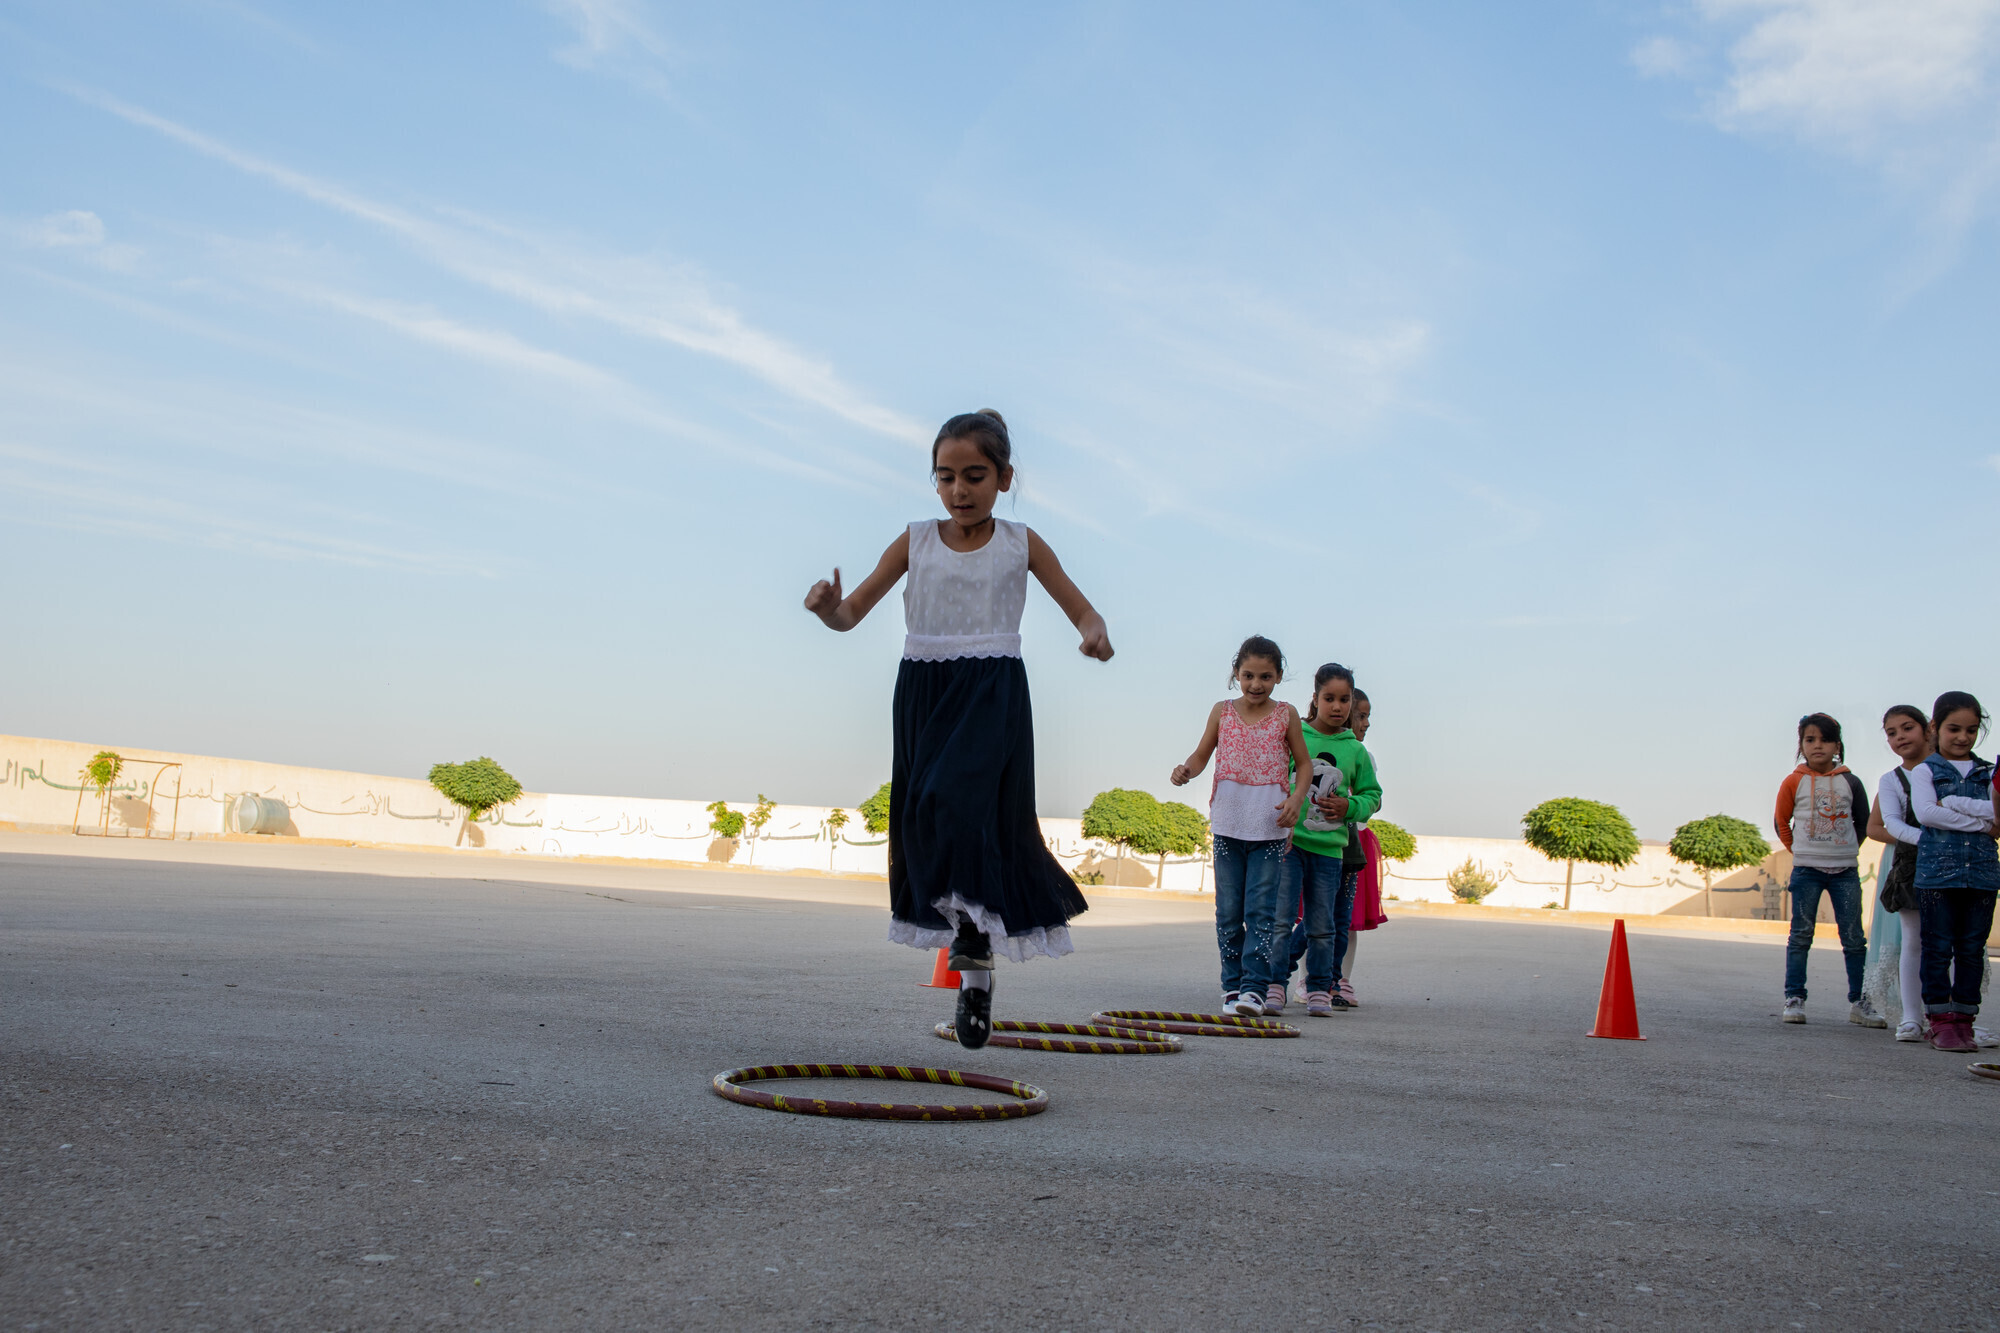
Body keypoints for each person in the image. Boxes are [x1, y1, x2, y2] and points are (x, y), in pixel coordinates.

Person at [803, 409, 1112, 1050]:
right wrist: (830, 611)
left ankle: (973, 948)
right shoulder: (913, 539)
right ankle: (976, 980)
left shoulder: (1022, 543)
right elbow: (853, 612)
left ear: (1004, 478)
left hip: (992, 689)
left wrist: (1093, 635)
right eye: (946, 477)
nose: (959, 490)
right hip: (923, 687)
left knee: (960, 801)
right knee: (921, 814)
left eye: (975, 476)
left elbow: (1080, 607)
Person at [1171, 635, 1311, 1016]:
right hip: (1228, 826)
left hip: (1269, 827)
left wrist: (1297, 799)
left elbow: (1304, 764)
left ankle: (1254, 989)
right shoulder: (1222, 711)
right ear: (1236, 673)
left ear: (1278, 677)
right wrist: (1186, 770)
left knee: (1261, 912)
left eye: (1265, 676)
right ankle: (1231, 988)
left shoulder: (1287, 714)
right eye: (1248, 675)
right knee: (1228, 912)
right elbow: (1202, 755)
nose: (1255, 684)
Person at [1279, 664, 1381, 1016]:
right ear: (1315, 699)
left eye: (1344, 700)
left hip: (1330, 852)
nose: (1337, 707)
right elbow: (1276, 778)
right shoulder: (1297, 736)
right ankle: (1275, 984)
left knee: (1324, 924)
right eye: (1329, 699)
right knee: (1282, 919)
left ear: (1352, 702)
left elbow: (1373, 796)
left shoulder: (1356, 752)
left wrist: (1350, 805)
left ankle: (1321, 988)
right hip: (1290, 846)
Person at [1908, 691, 1999, 1053]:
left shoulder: (1989, 771)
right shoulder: (1924, 771)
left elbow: (1999, 814)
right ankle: (1940, 1022)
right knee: (1937, 948)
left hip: (1982, 874)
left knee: (1972, 949)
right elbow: (1927, 814)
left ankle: (1964, 1021)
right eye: (1954, 729)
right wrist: (1981, 823)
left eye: (1972, 730)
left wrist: (1955, 803)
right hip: (1937, 875)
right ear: (1936, 727)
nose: (1963, 737)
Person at [1773, 713, 1878, 1026]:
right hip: (1807, 870)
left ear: (1837, 745)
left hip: (1844, 870)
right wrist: (1798, 849)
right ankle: (1795, 998)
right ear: (1802, 745)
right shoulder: (1793, 781)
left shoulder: (1851, 781)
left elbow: (1863, 822)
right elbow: (1781, 821)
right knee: (1801, 934)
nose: (1818, 746)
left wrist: (1847, 849)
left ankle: (1860, 1001)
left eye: (1825, 739)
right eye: (1810, 740)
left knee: (1854, 938)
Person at [1864, 705, 1935, 1042]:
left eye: (1907, 728)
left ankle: (1950, 1015)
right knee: (1911, 939)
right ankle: (1911, 1015)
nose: (1900, 737)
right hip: (1904, 862)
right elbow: (1875, 827)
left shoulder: (1947, 772)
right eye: (1892, 733)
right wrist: (1920, 838)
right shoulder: (1893, 781)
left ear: (1927, 729)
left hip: (1946, 864)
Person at [1342, 688, 1387, 1004]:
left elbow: (1374, 799)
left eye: (1368, 715)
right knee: (1310, 917)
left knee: (1347, 918)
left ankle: (1342, 980)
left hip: (1355, 843)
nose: (1367, 722)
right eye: (1361, 715)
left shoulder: (1364, 756)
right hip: (1321, 840)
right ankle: (1307, 981)